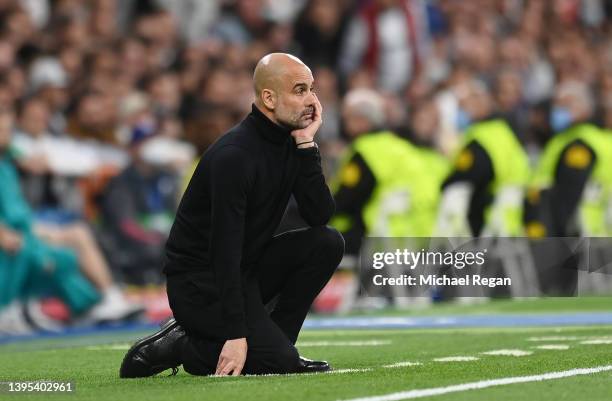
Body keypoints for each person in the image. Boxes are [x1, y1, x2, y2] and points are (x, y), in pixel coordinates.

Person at [120, 53, 344, 378]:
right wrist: (236, 335)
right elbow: (224, 251)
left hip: (244, 272)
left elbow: (319, 215)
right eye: (299, 90)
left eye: (312, 89)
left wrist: (307, 144)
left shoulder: (289, 141)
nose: (311, 100)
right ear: (269, 97)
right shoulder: (235, 156)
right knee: (275, 362)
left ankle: (277, 348)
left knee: (327, 242)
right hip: (201, 283)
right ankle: (184, 345)